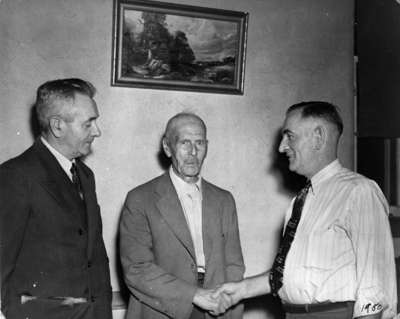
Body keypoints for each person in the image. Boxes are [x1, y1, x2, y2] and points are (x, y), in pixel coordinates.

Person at [215, 101, 397, 319]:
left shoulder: (359, 192)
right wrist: (241, 290)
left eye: (290, 136)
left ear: (318, 138)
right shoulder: (300, 201)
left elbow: (374, 288)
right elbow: (292, 273)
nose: (282, 147)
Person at [0, 78, 112, 319]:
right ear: (58, 126)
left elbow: (95, 258)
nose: (97, 131)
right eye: (88, 123)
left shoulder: (85, 175)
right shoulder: (15, 176)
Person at [119, 112, 245, 319]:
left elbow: (234, 264)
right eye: (184, 143)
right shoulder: (140, 198)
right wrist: (193, 294)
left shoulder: (224, 200)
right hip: (162, 309)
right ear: (167, 147)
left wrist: (226, 300)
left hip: (217, 309)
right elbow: (137, 269)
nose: (193, 152)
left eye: (200, 143)